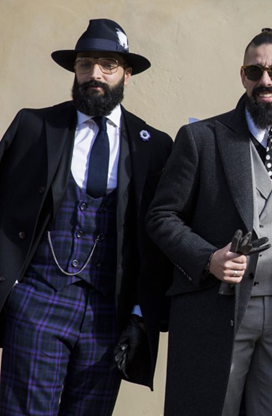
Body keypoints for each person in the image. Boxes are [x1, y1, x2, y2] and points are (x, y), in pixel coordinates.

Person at [0, 19, 173, 415]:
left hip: (108, 318)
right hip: (36, 302)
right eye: (85, 63)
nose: (95, 74)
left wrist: (140, 316)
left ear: (127, 74)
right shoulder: (34, 126)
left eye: (108, 64)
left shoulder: (154, 147)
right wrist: (13, 292)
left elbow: (158, 243)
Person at [146, 28, 272, 416]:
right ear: (243, 76)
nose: (265, 81)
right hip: (215, 309)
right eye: (255, 71)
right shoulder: (201, 138)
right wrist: (208, 258)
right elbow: (161, 216)